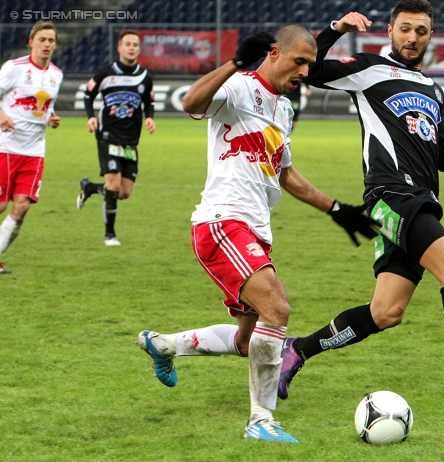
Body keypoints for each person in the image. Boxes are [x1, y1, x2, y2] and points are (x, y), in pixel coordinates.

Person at [279, 0, 444, 402]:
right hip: (390, 196)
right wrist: (336, 28)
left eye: (420, 30)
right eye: (405, 28)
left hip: (418, 200)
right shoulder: (367, 69)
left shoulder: (435, 91)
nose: (412, 37)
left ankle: (296, 350)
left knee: (386, 313)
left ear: (430, 35)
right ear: (390, 31)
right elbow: (309, 69)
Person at [134, 25, 376, 443]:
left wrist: (336, 209)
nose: (305, 71)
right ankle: (261, 420)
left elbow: (285, 174)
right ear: (274, 54)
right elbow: (191, 103)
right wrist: (233, 63)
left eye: (310, 64)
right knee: (277, 309)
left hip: (255, 230)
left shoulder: (282, 109)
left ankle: (164, 344)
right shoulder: (240, 86)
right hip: (223, 223)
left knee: (250, 342)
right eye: (299, 61)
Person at [75, 29, 155, 246]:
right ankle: (109, 234)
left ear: (139, 49)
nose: (131, 48)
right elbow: (87, 94)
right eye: (127, 44)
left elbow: (149, 101)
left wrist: (150, 118)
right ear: (119, 48)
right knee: (113, 183)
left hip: (131, 139)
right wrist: (91, 117)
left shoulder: (144, 77)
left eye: (135, 45)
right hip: (107, 135)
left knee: (124, 192)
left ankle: (90, 188)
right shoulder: (105, 74)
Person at [0, 21, 62, 275]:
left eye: (51, 40)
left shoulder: (56, 75)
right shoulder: (14, 69)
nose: (47, 44)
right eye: (42, 39)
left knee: (22, 206)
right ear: (31, 42)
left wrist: (51, 117)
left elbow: (43, 107)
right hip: (5, 146)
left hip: (34, 151)